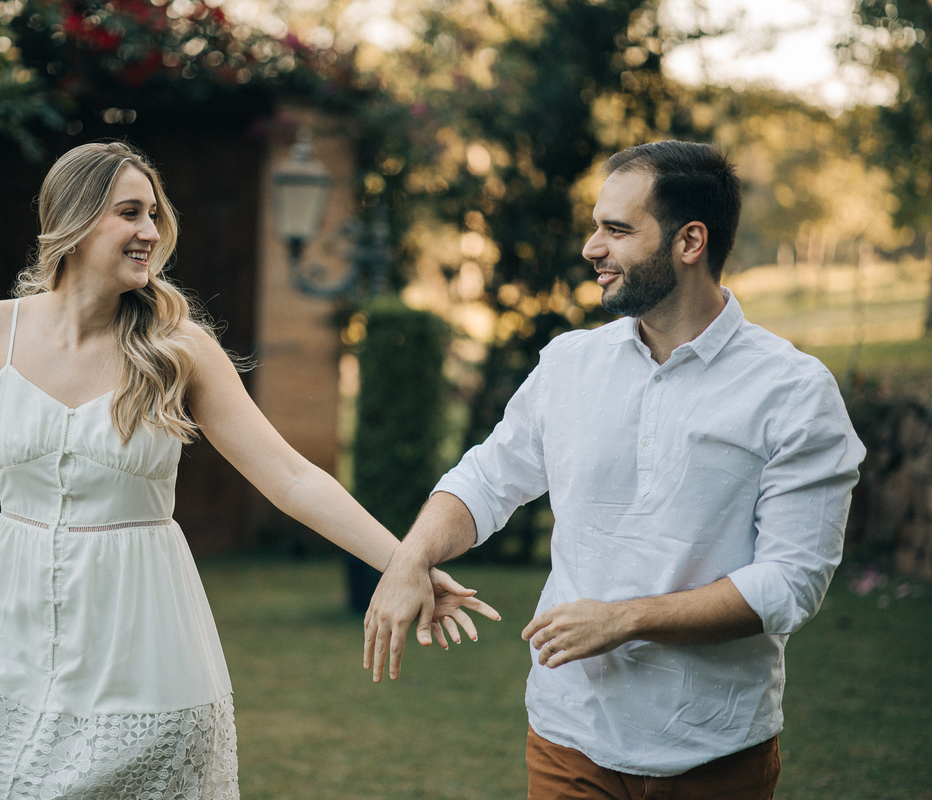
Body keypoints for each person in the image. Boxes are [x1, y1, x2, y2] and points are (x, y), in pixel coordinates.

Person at [0, 140, 497, 800]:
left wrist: (405, 562)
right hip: (6, 620)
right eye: (129, 213)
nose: (150, 232)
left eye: (155, 215)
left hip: (137, 636)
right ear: (74, 222)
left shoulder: (178, 348)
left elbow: (290, 476)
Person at [364, 141, 865, 798]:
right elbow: (487, 479)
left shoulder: (794, 391)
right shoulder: (570, 363)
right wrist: (409, 560)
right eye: (596, 225)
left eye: (617, 230)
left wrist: (625, 618)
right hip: (568, 735)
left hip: (712, 747)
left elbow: (791, 583)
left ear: (690, 242)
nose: (591, 247)